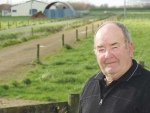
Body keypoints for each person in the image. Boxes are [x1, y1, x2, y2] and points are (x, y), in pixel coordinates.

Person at [78, 21, 150, 113]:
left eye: (114, 47)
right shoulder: (91, 84)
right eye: (101, 49)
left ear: (130, 48)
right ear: (95, 53)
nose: (108, 55)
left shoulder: (147, 87)